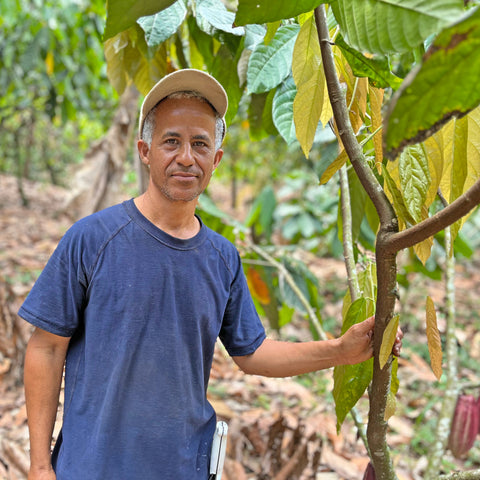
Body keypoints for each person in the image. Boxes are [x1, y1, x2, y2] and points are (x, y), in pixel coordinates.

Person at [20, 69, 402, 480]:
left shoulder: (221, 258)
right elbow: (46, 348)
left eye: (200, 144)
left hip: (182, 466)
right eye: (172, 141)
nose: (186, 156)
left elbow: (252, 354)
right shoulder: (92, 239)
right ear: (145, 151)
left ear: (215, 159)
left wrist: (340, 351)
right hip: (91, 466)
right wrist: (40, 467)